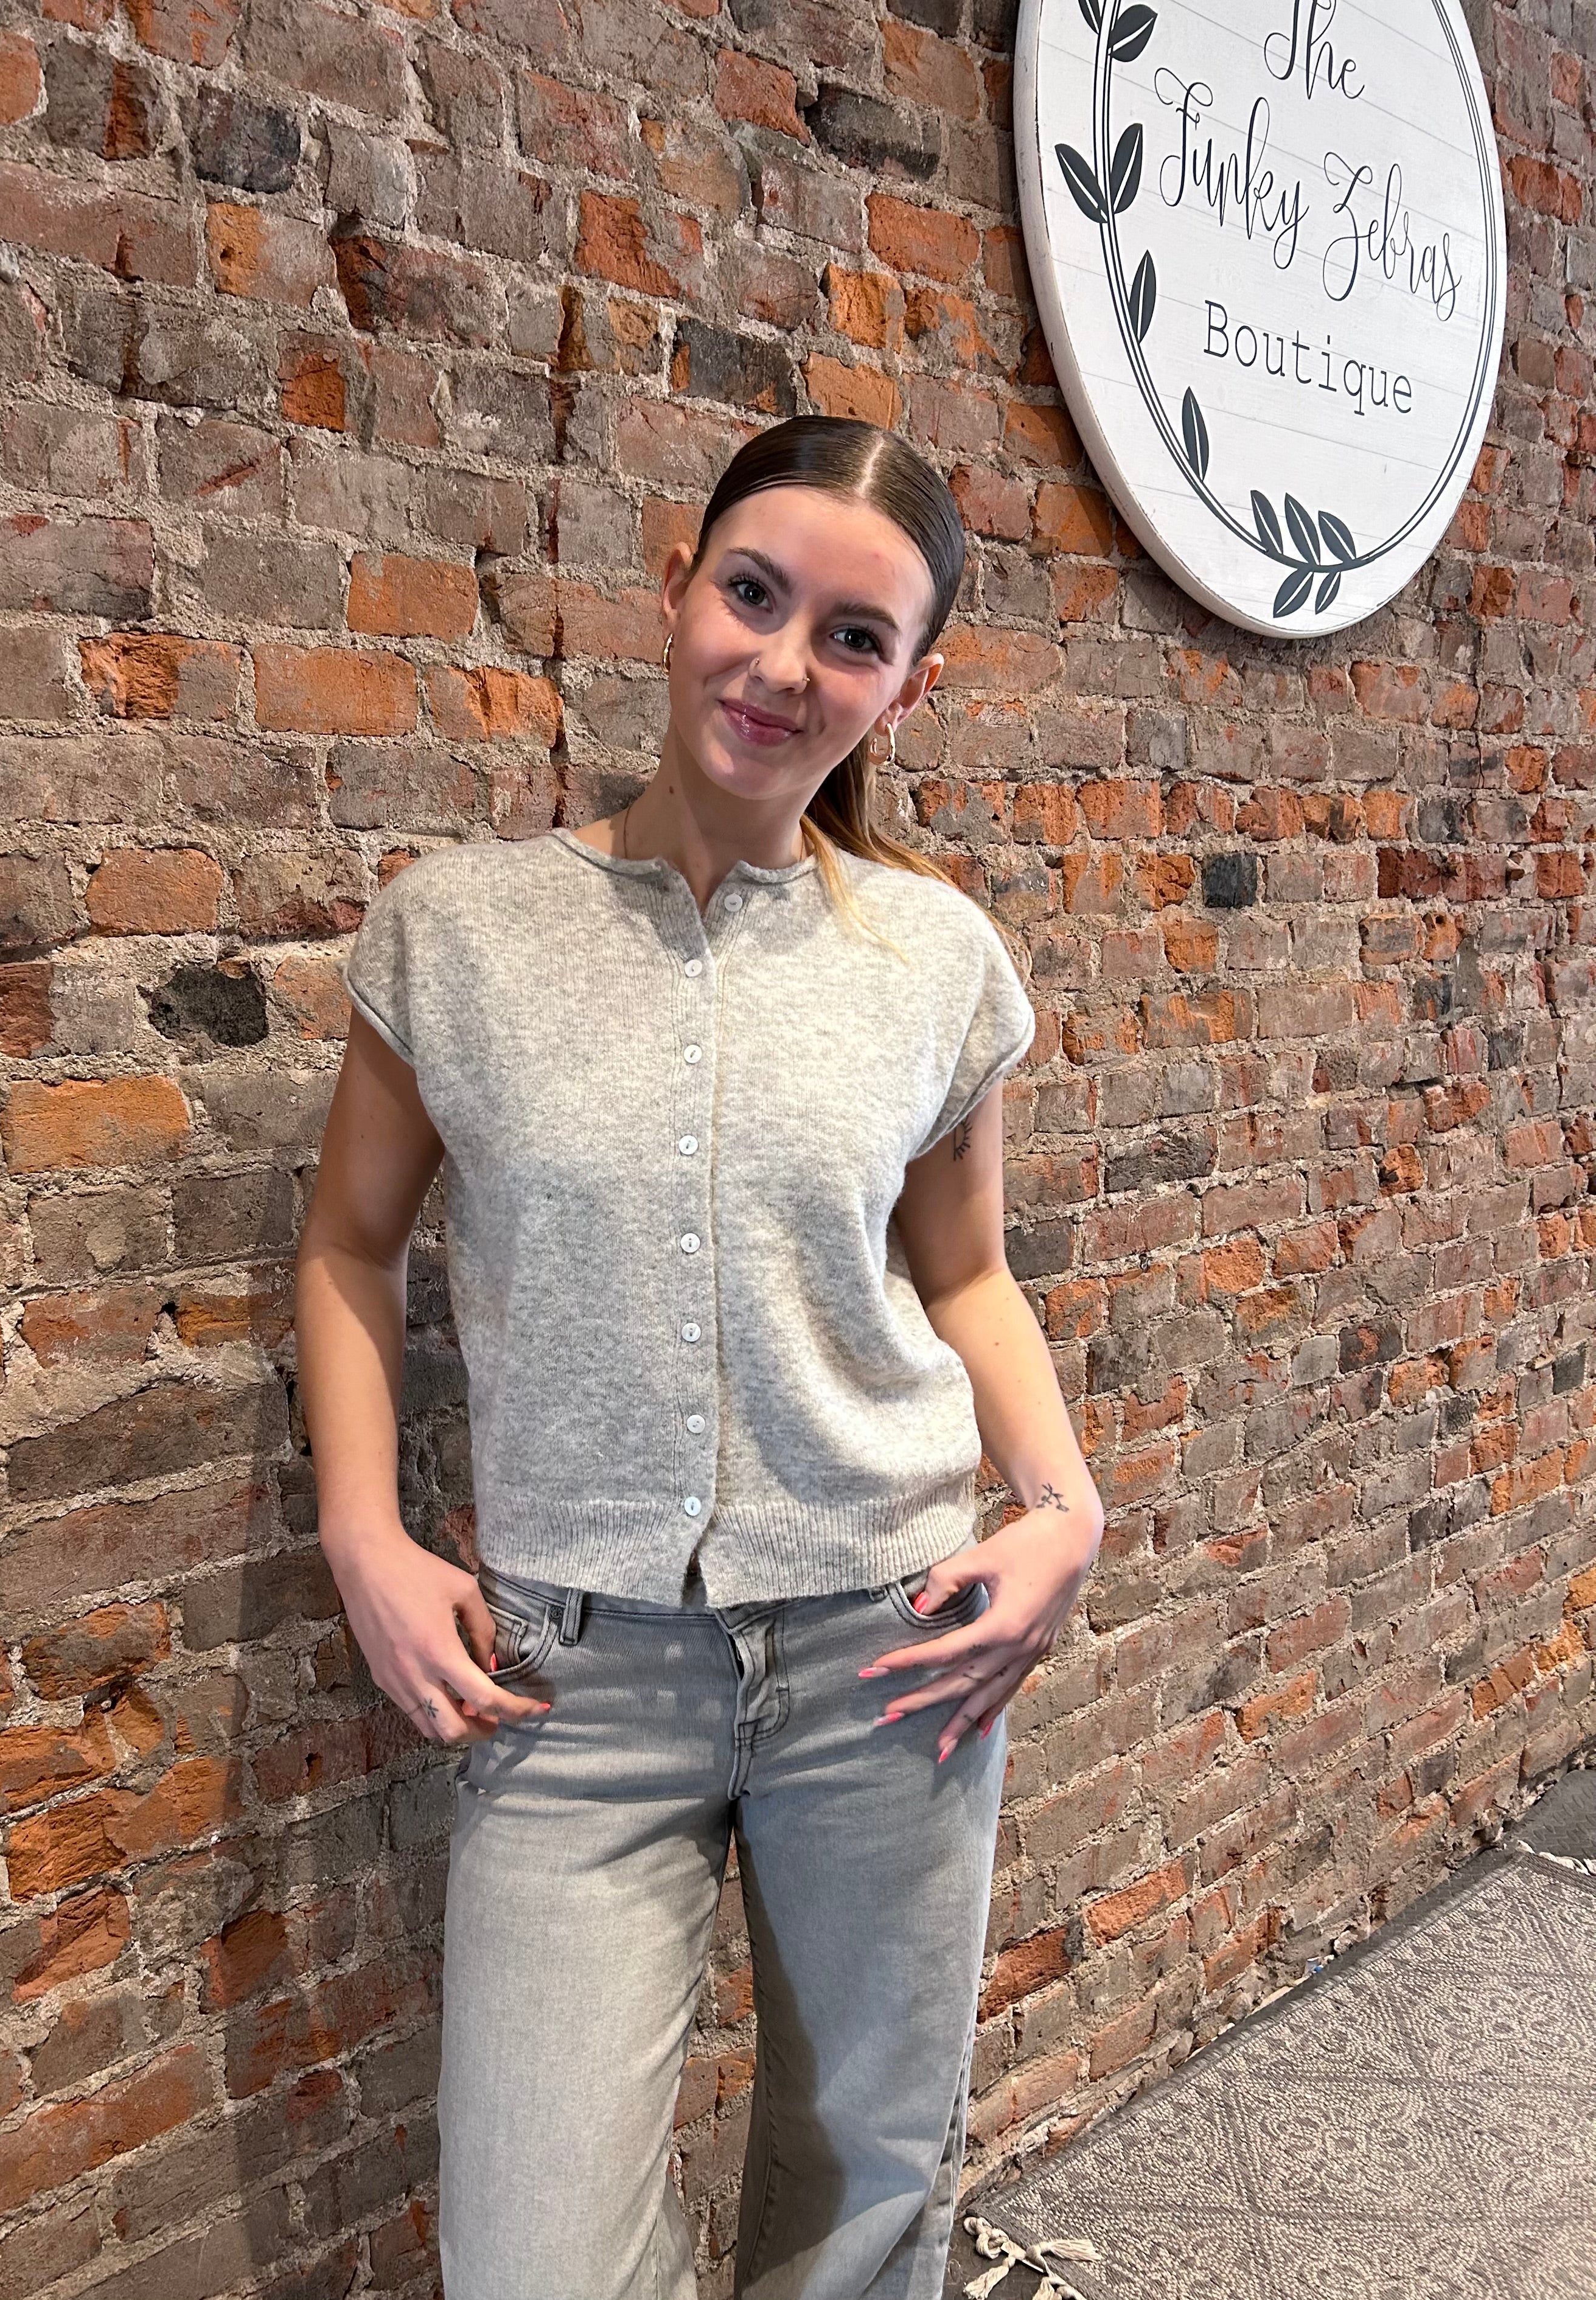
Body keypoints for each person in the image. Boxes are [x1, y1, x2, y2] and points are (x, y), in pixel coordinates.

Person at [293, 414, 1105, 2299]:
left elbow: (968, 1276)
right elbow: (348, 1245)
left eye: (854, 635)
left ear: (906, 686)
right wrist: (363, 1530)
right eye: (755, 594)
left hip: (891, 1643)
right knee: (533, 2254)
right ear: (677, 592)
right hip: (573, 1677)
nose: (783, 662)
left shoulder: (934, 960)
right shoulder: (461, 935)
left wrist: (1065, 1505)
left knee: (866, 2192)